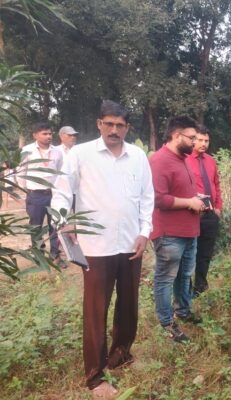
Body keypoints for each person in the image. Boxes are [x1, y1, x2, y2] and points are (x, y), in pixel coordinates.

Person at [51, 100, 154, 399]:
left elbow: (146, 198)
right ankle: (95, 376)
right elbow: (61, 192)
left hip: (130, 243)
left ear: (127, 128)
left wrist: (144, 233)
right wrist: (63, 222)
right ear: (99, 124)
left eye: (120, 125)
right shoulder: (81, 155)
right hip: (95, 245)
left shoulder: (137, 156)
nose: (113, 130)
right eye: (108, 124)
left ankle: (120, 354)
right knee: (96, 309)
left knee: (129, 304)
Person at [150, 116, 206, 343]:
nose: (195, 142)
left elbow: (179, 190)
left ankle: (183, 310)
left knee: (184, 275)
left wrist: (195, 199)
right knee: (165, 278)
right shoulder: (160, 160)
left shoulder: (182, 158)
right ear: (176, 135)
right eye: (191, 137)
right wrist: (189, 202)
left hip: (188, 230)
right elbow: (158, 199)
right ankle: (166, 321)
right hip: (169, 233)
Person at [17, 122, 64, 263]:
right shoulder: (27, 150)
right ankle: (38, 253)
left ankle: (55, 255)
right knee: (35, 225)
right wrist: (26, 190)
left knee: (55, 224)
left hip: (53, 195)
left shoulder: (57, 152)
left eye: (50, 133)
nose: (48, 136)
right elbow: (21, 171)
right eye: (44, 134)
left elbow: (60, 172)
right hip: (35, 195)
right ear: (35, 135)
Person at [185, 125, 223, 297]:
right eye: (200, 140)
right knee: (188, 253)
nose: (203, 143)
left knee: (205, 253)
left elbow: (216, 185)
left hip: (210, 214)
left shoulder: (210, 160)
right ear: (193, 140)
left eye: (206, 140)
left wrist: (218, 207)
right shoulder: (184, 159)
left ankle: (200, 286)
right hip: (191, 215)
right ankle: (186, 289)